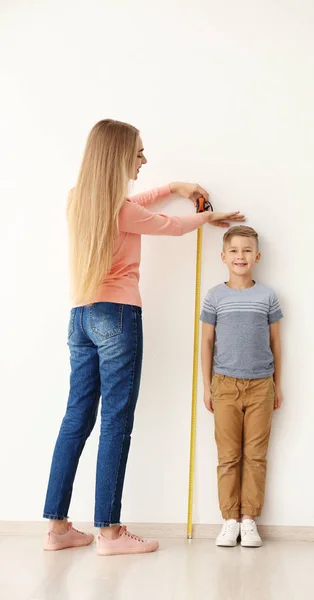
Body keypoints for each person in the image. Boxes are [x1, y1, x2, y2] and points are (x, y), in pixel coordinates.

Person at [43, 119, 245, 556]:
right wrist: (211, 215)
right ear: (118, 156)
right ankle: (110, 533)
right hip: (116, 315)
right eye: (138, 153)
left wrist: (173, 185)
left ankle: (57, 527)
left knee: (76, 418)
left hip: (80, 316)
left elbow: (132, 205)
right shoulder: (122, 211)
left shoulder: (78, 201)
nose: (143, 159)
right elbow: (167, 225)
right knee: (116, 420)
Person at [200, 225, 283, 548]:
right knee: (228, 456)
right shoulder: (214, 296)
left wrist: (277, 384)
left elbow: (276, 342)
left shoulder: (267, 296)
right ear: (223, 256)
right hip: (224, 385)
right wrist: (207, 386)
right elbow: (207, 342)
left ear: (257, 256)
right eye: (234, 250)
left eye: (247, 250)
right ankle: (229, 520)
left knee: (256, 456)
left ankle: (249, 520)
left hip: (262, 385)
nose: (240, 256)